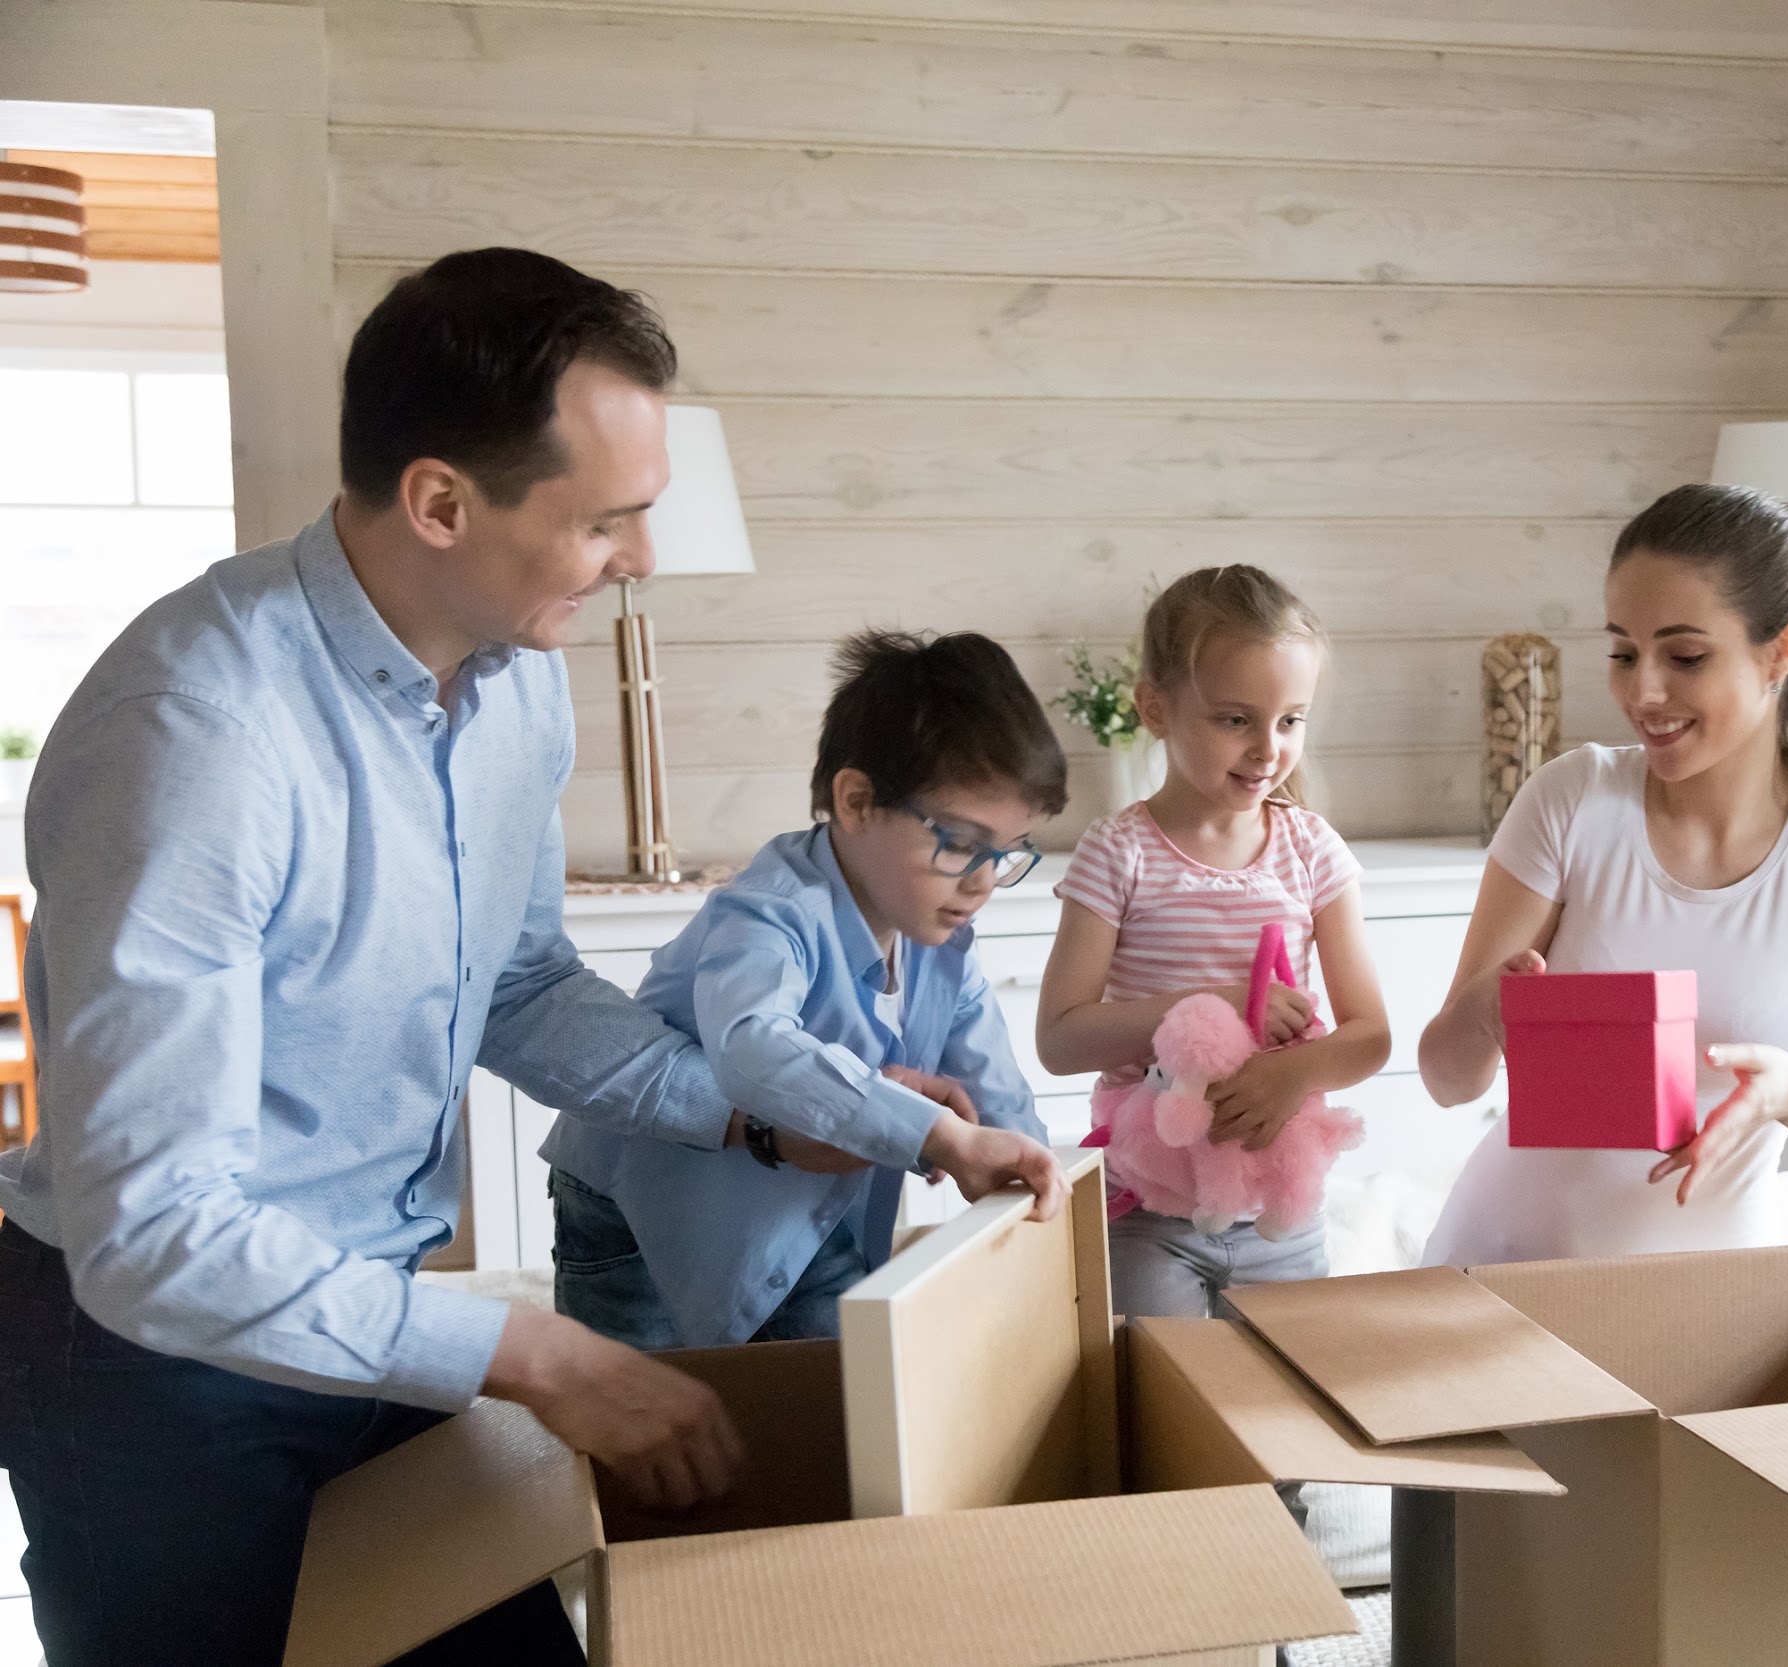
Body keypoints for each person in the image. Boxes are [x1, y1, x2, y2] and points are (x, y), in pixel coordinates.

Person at [0, 247, 820, 1667]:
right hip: (149, 1364)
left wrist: (760, 1114)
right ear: (442, 500)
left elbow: (516, 985)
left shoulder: (516, 690)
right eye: (607, 520)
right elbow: (154, 1232)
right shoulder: (193, 733)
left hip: (369, 1314)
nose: (639, 558)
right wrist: (543, 1353)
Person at [1417, 483, 1788, 1264]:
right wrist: (1492, 1009)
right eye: (1622, 652)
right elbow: (1447, 1080)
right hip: (1501, 1260)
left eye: (1684, 656)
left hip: (1704, 1289)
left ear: (1783, 649)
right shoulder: (1573, 800)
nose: (1642, 691)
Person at [543, 630, 1071, 1350]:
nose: (983, 880)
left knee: (836, 1394)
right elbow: (752, 1048)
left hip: (800, 1205)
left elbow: (998, 1090)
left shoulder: (940, 937)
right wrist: (941, 1135)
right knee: (641, 1416)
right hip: (636, 1205)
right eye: (959, 842)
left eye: (1005, 852)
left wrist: (1033, 1175)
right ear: (855, 800)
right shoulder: (770, 909)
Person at [1037, 566, 1390, 1318]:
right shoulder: (1118, 851)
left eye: (1291, 720)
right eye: (1236, 719)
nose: (1268, 748)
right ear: (1155, 707)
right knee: (1162, 1406)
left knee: (1290, 1404)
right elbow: (1060, 1039)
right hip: (1147, 1211)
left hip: (1278, 1213)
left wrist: (1291, 1076)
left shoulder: (1313, 850)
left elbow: (1372, 1035)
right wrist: (1205, 1005)